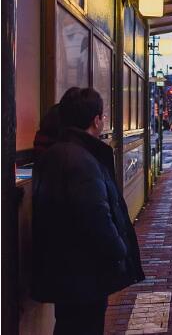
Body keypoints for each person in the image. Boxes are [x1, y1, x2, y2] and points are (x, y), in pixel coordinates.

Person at [31, 88, 144, 335]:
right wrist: (119, 249)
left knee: (69, 325)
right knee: (85, 326)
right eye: (102, 117)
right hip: (84, 271)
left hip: (65, 267)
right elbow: (95, 215)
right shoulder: (82, 160)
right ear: (96, 120)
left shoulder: (56, 153)